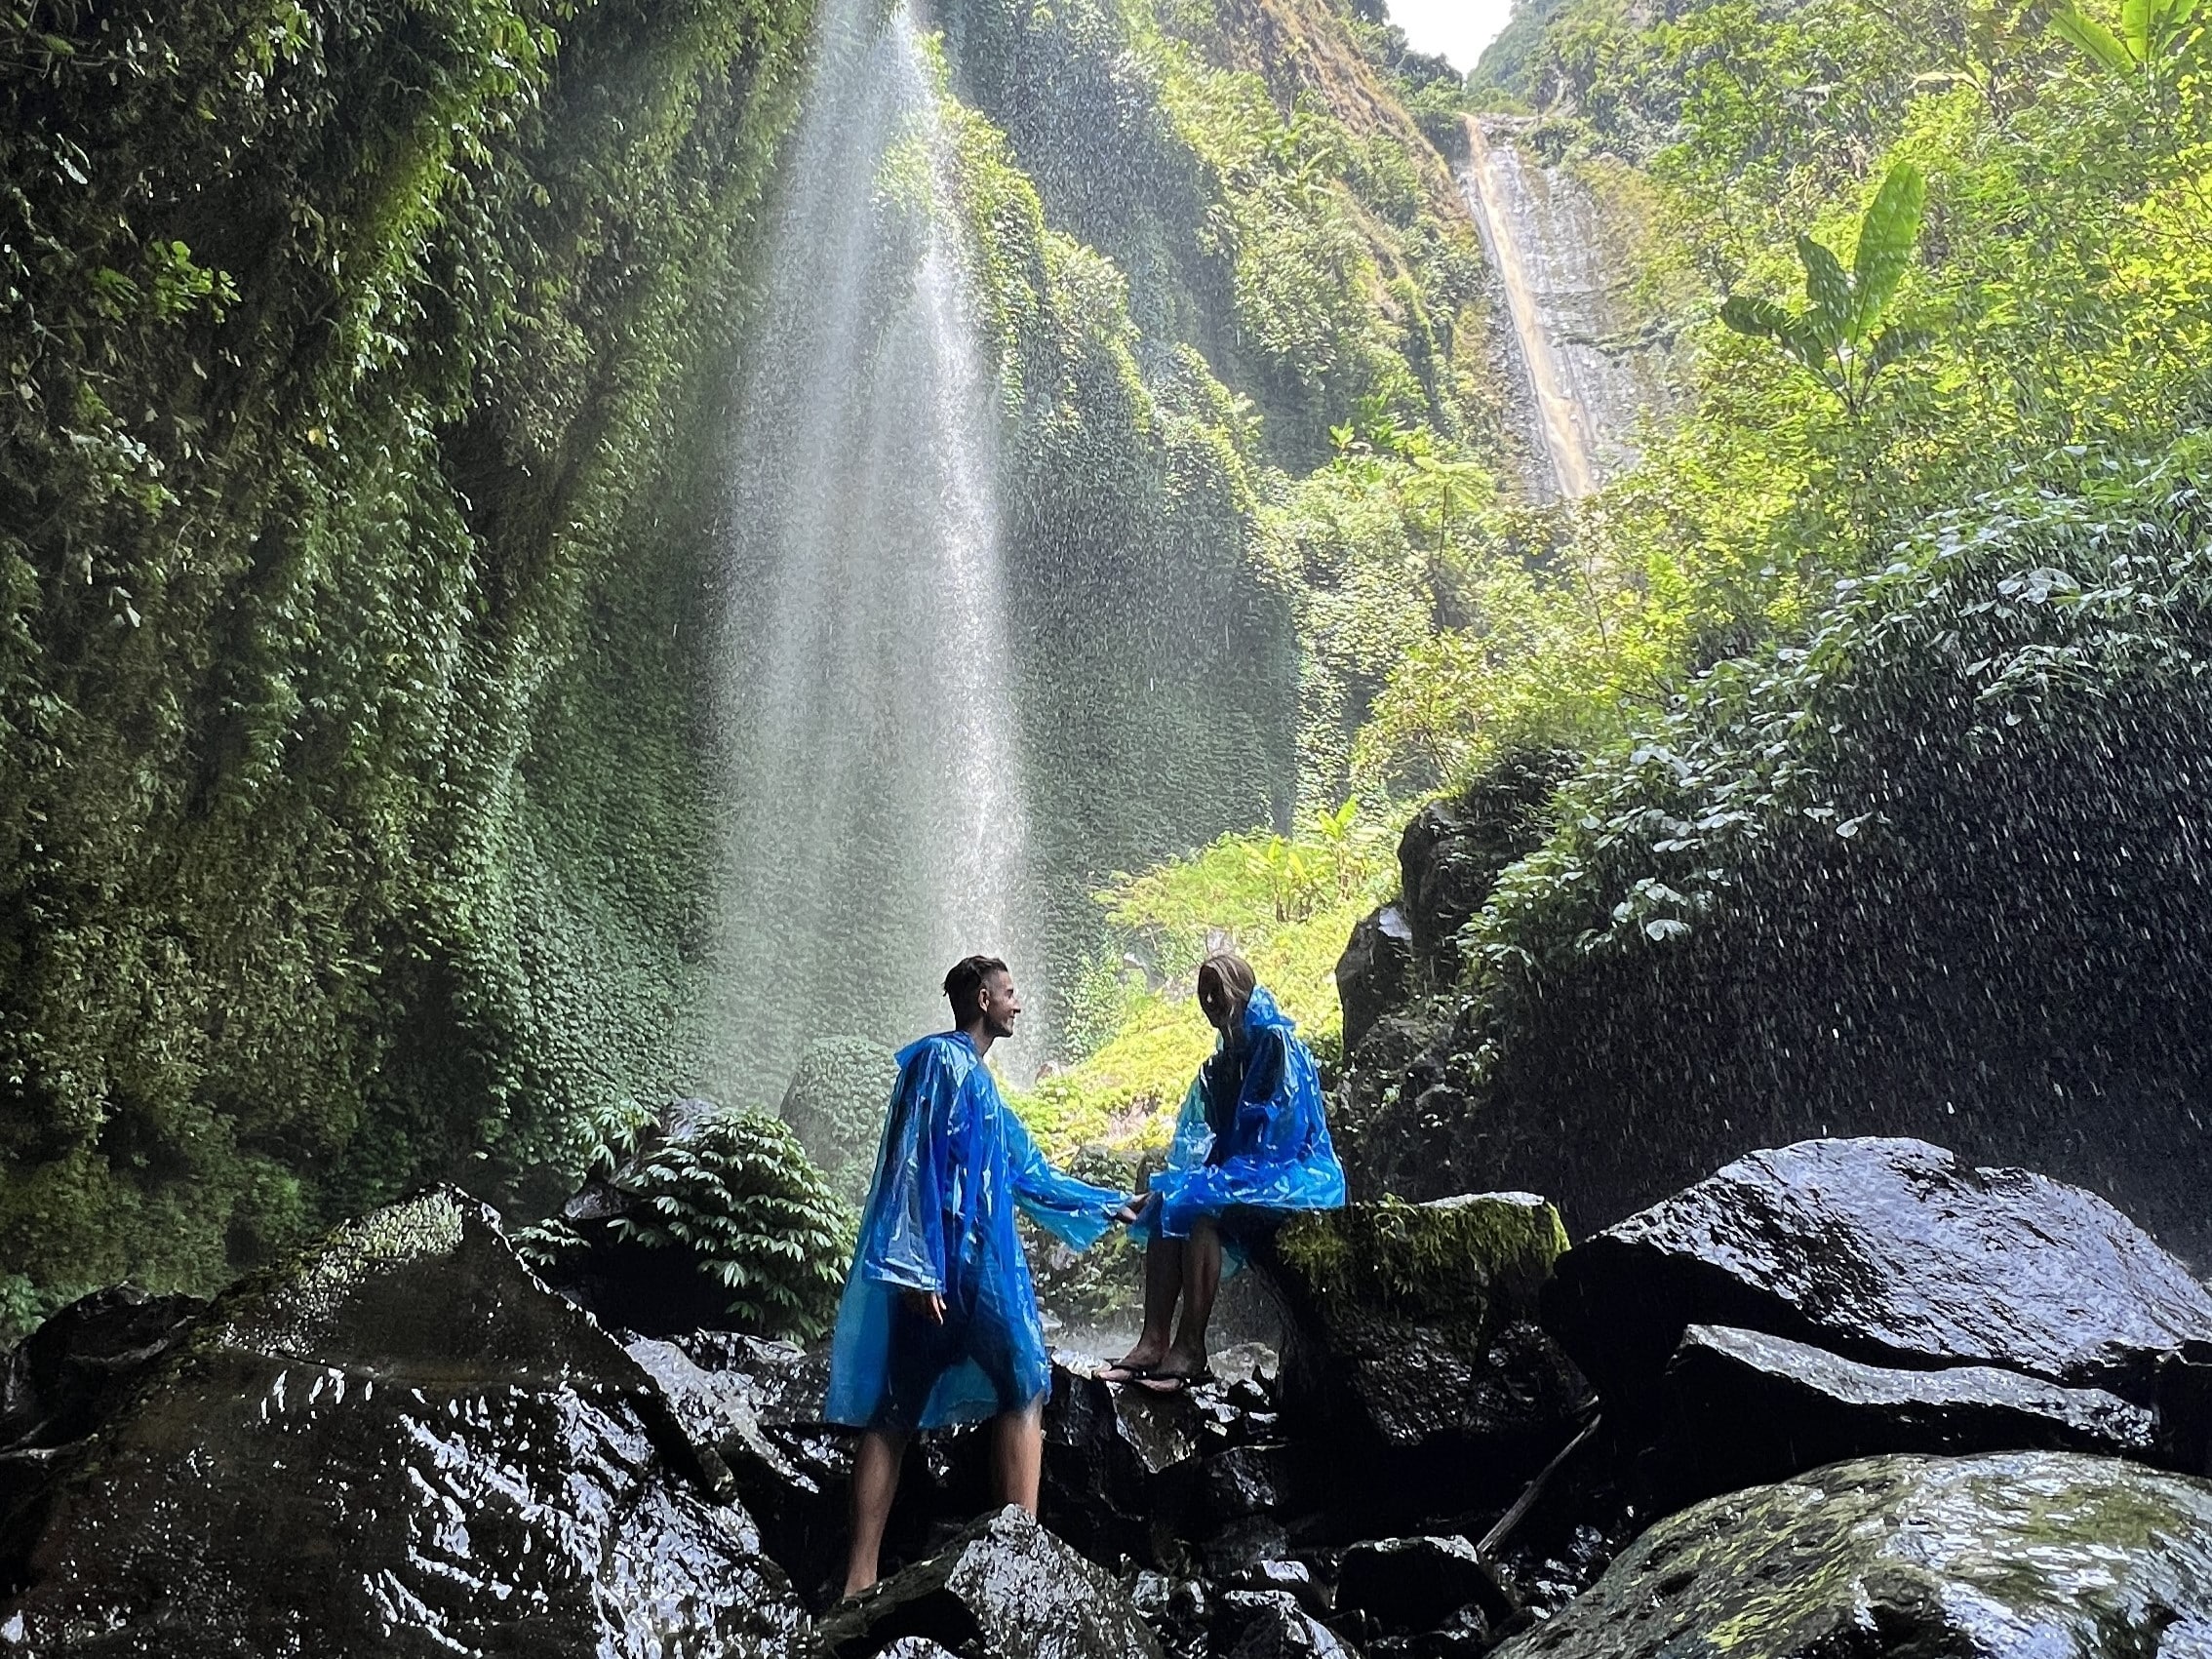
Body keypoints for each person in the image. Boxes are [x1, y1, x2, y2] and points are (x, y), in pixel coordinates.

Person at [824, 954, 1128, 1597]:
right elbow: (909, 1161)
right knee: (916, 1405)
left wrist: (1107, 1203)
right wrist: (912, 1268)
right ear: (984, 999)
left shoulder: (985, 1089)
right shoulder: (937, 1061)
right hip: (951, 1272)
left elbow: (1028, 1172)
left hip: (976, 1269)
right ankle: (861, 1575)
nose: (1018, 1004)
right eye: (1010, 993)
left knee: (1016, 1383)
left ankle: (1019, 1554)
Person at [1101, 951, 1346, 1393]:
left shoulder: (1275, 1043)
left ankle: (1191, 1348)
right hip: (1244, 1170)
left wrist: (1213, 1182)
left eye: (1217, 990)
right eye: (1204, 993)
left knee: (1201, 1216)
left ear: (1241, 990)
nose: (1210, 1000)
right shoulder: (1218, 1064)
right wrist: (1183, 1185)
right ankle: (1153, 1341)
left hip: (1293, 1175)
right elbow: (1208, 1141)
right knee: (1168, 1206)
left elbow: (1281, 1133)